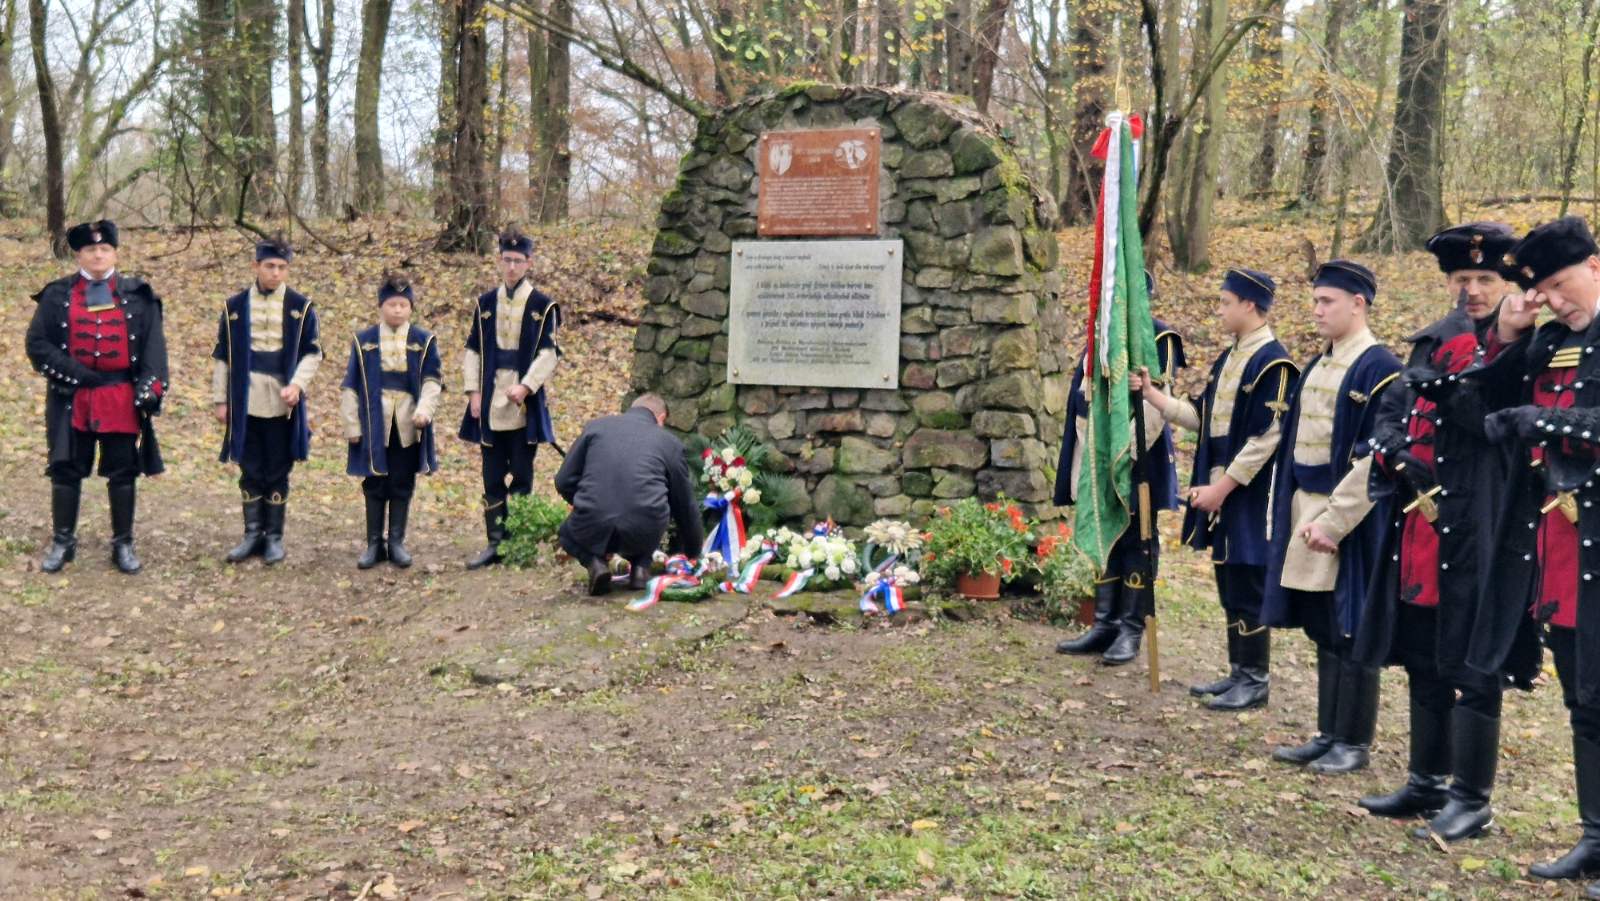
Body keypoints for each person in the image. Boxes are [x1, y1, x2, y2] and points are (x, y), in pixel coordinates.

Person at [1355, 223, 1518, 840]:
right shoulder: (1432, 341)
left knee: (1473, 665)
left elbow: (1493, 423)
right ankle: (1427, 780)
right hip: (1421, 522)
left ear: (1508, 282)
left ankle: (1471, 798)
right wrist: (1396, 451)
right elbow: (1392, 414)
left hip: (1485, 523)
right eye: (1462, 280)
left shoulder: (1522, 349)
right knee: (1423, 653)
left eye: (1484, 279)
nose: (1472, 290)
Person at [1465, 216, 1600, 889]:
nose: (1555, 298)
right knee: (1585, 698)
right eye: (1543, 288)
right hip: (1558, 545)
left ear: (1595, 265)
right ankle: (1596, 835)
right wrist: (1508, 334)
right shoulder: (1550, 340)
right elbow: (1486, 397)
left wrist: (1539, 422)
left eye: (1560, 282)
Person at [1261, 260, 1402, 775]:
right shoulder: (1320, 363)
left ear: (1357, 304)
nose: (1317, 310)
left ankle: (1354, 740)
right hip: (1307, 504)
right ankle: (1328, 732)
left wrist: (1337, 519)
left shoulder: (1380, 369)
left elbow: (1375, 458)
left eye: (1327, 301)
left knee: (1351, 627)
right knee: (1323, 626)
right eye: (1316, 300)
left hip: (1352, 516)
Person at [1137, 268, 1297, 711]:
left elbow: (1267, 436)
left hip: (1250, 490)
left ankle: (1256, 678)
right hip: (1223, 484)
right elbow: (1202, 418)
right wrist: (1154, 396)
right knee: (1229, 574)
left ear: (1250, 305)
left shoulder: (1275, 363)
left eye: (1226, 301)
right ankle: (1238, 672)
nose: (1220, 309)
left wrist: (1222, 488)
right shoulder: (1229, 359)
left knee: (1248, 576)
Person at [1053, 271, 1186, 666]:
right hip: (1098, 457)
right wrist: (1091, 455)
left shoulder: (1158, 339)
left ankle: (1131, 626)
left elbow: (1157, 403)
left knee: (1138, 541)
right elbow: (1083, 397)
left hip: (1137, 456)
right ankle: (1105, 621)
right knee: (1106, 532)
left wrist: (1121, 454)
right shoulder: (1099, 340)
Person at [25, 219, 168, 574]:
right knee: (66, 470)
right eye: (90, 250)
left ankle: (123, 544)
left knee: (123, 472)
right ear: (79, 254)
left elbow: (154, 350)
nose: (98, 254)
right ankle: (63, 542)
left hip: (120, 396)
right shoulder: (57, 294)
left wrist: (150, 387)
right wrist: (78, 375)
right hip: (72, 396)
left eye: (104, 249)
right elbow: (37, 344)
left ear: (115, 252)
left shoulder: (139, 295)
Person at [212, 235, 322, 565]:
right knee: (249, 465)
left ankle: (274, 536)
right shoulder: (233, 307)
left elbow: (313, 353)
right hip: (245, 397)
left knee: (277, 466)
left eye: (282, 267)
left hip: (281, 400)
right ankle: (251, 533)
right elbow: (223, 356)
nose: (275, 273)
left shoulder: (301, 307)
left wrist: (297, 385)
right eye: (269, 266)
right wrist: (221, 399)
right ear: (255, 266)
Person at [460, 230, 561, 569]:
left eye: (519, 261)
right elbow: (473, 349)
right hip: (490, 400)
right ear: (500, 260)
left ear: (529, 262)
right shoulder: (485, 304)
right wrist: (473, 391)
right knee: (491, 476)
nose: (512, 266)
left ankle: (519, 542)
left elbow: (548, 353)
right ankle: (495, 543)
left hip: (523, 402)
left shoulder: (543, 306)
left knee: (520, 474)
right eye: (507, 260)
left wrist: (526, 387)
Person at [339, 274, 444, 569]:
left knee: (401, 479)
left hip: (408, 423)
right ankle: (374, 543)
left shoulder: (424, 341)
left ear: (410, 307)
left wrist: (425, 410)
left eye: (403, 304)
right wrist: (352, 425)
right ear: (381, 307)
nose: (397, 310)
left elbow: (432, 381)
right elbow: (350, 384)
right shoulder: (365, 341)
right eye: (392, 304)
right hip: (375, 421)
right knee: (375, 481)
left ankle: (396, 541)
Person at [554, 395, 704, 596]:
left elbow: (563, 480)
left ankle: (595, 563)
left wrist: (582, 501)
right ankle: (640, 569)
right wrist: (694, 552)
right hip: (644, 528)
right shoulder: (669, 443)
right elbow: (683, 503)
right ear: (660, 418)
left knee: (566, 533)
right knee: (649, 508)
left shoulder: (596, 427)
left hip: (593, 518)